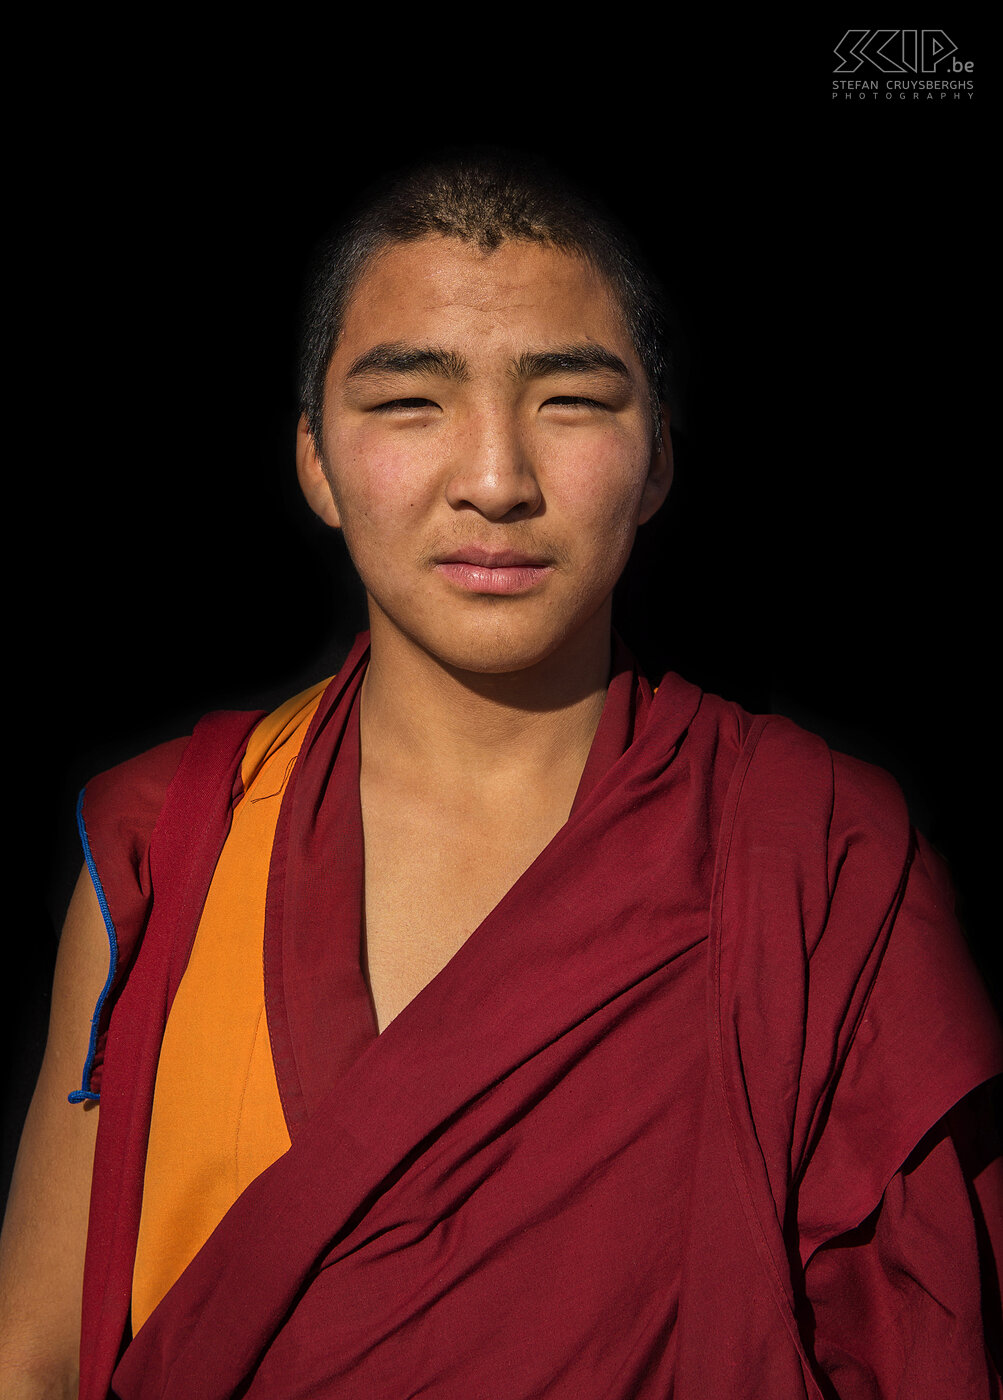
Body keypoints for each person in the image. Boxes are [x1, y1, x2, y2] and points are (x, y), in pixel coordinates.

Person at [1, 150, 1000, 1400]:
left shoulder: (815, 852)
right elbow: (30, 1361)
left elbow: (924, 1345)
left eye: (570, 401)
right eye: (409, 403)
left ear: (658, 462)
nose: (493, 480)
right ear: (313, 459)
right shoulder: (170, 843)